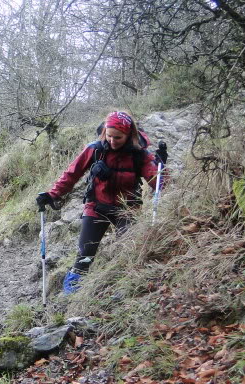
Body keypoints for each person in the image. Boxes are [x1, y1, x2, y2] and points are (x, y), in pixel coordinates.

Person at [36, 111, 167, 294]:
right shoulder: (95, 149)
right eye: (109, 136)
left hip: (127, 209)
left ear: (129, 135)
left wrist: (161, 167)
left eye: (118, 137)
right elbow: (71, 174)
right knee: (85, 253)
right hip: (97, 206)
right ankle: (71, 295)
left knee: (127, 251)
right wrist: (52, 194)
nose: (112, 141)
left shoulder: (139, 155)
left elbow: (159, 184)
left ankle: (123, 289)